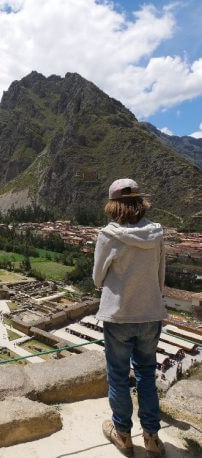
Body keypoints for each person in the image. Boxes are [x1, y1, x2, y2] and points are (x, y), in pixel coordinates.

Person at [93, 179, 167, 457]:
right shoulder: (157, 233)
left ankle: (123, 434)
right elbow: (160, 275)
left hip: (119, 314)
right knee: (147, 373)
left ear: (113, 205)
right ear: (140, 203)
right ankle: (152, 438)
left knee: (118, 375)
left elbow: (98, 278)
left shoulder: (108, 235)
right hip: (150, 313)